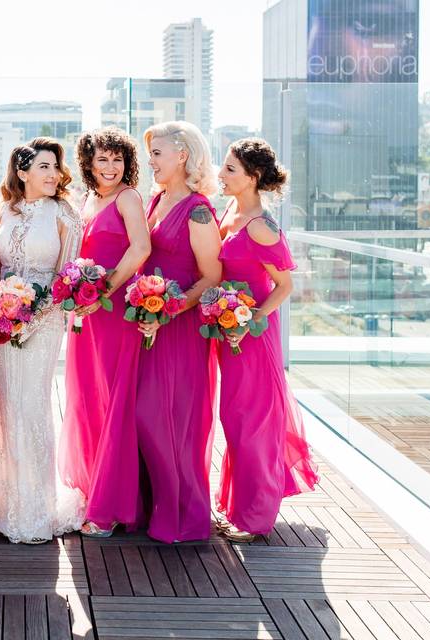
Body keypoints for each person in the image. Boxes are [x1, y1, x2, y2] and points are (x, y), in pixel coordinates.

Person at [0, 138, 86, 543]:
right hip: (0, 323)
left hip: (45, 320)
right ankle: (3, 503)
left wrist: (31, 317)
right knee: (5, 405)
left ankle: (35, 509)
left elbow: (66, 277)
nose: (53, 174)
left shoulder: (66, 214)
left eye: (56, 167)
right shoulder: (1, 211)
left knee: (31, 405)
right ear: (22, 172)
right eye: (44, 166)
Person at [215, 137, 319, 542]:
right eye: (223, 167)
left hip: (253, 338)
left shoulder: (262, 225)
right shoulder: (231, 212)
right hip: (228, 332)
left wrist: (250, 320)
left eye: (230, 170)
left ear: (252, 177)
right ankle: (240, 505)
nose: (221, 175)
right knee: (234, 419)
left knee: (251, 422)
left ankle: (256, 518)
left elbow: (284, 285)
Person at [60, 127, 150, 537]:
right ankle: (94, 488)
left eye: (117, 158)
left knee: (114, 399)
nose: (110, 166)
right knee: (89, 397)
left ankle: (111, 507)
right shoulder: (88, 199)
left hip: (114, 311)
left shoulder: (128, 197)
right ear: (89, 164)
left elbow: (140, 249)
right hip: (88, 312)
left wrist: (104, 290)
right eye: (102, 159)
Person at [136, 121, 222, 543]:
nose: (150, 160)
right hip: (150, 324)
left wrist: (171, 307)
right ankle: (156, 506)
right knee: (148, 416)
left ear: (182, 155)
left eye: (157, 152)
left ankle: (185, 518)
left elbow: (212, 274)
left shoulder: (199, 209)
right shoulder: (156, 201)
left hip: (180, 328)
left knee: (175, 419)